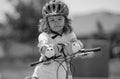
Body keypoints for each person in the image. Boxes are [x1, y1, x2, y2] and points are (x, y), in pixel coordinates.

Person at [27, 0, 94, 79]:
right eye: (52, 20)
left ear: (65, 20)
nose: (56, 22)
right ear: (47, 22)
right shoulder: (44, 35)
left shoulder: (69, 34)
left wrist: (78, 49)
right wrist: (53, 49)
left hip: (62, 73)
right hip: (43, 74)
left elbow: (76, 44)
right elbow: (44, 48)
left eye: (59, 19)